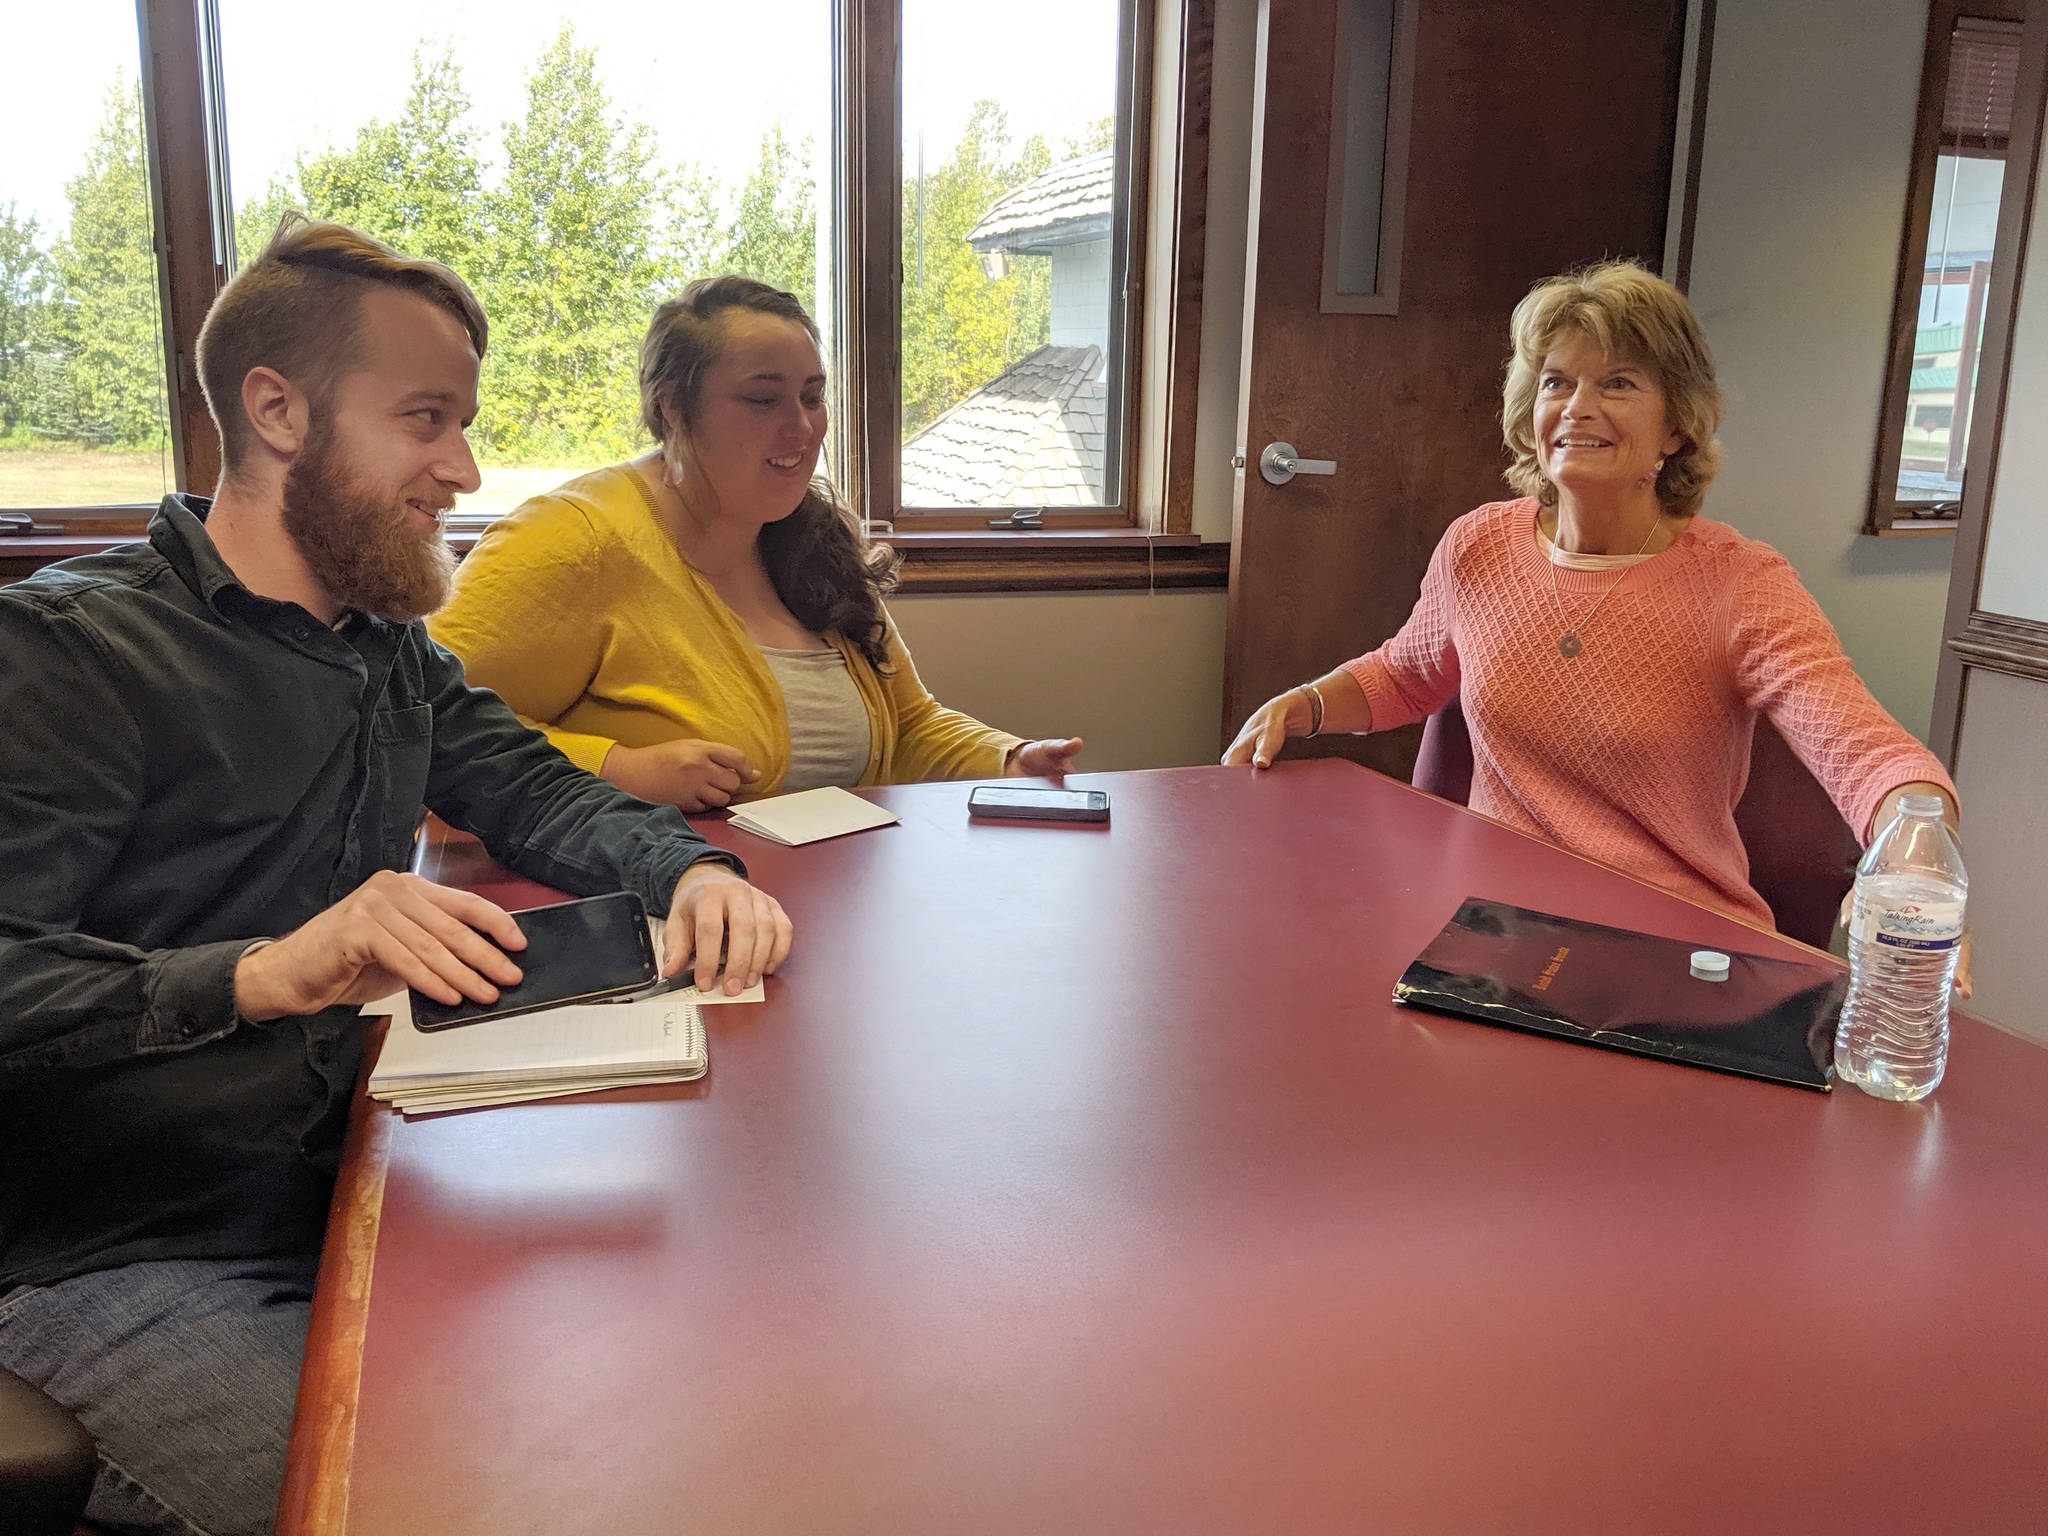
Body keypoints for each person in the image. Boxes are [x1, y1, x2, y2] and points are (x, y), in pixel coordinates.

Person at [0, 218, 792, 1536]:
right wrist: (269, 971)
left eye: (463, 425)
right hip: (128, 1250)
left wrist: (691, 869)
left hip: (368, 1185)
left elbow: (539, 793)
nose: (463, 469)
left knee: (685, 1413)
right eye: (426, 419)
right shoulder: (70, 654)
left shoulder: (387, 656)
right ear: (278, 411)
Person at [1224, 260, 1972, 994]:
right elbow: (1409, 670)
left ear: (1676, 426)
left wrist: (1918, 849)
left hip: (1675, 951)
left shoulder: (1740, 582)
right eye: (1557, 381)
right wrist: (1307, 704)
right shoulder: (1480, 545)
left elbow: (1859, 743)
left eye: (1617, 383)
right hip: (1499, 933)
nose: (1577, 406)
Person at [427, 275, 1083, 813]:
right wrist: (616, 767)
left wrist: (1010, 760)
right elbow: (421, 725)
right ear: (674, 409)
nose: (801, 429)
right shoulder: (577, 540)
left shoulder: (814, 540)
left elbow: (910, 726)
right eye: (762, 400)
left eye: (813, 396)